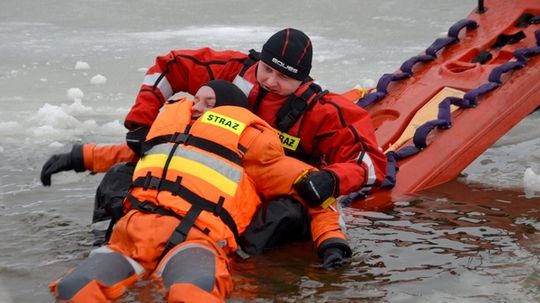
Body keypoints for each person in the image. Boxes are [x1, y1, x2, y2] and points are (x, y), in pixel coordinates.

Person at [42, 28, 385, 257]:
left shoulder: (325, 112)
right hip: (203, 175)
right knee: (121, 174)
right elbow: (170, 67)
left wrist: (331, 180)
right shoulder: (232, 70)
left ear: (304, 78)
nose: (270, 82)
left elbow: (370, 162)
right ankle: (113, 238)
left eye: (285, 77)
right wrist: (141, 122)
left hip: (262, 185)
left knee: (291, 213)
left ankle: (234, 260)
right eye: (267, 70)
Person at [49, 80, 350, 303]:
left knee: (193, 294)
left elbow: (316, 193)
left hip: (196, 241)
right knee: (73, 289)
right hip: (131, 237)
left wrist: (331, 242)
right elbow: (123, 154)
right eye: (196, 99)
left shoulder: (252, 147)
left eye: (208, 102)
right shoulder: (168, 134)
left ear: (229, 113)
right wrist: (77, 156)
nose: (196, 107)